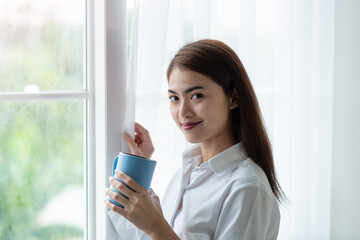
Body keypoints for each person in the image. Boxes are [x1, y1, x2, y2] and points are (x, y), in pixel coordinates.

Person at [104, 39, 285, 240]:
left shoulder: (247, 187)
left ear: (234, 98)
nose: (183, 112)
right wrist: (138, 167)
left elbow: (156, 232)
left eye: (197, 96)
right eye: (174, 98)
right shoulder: (187, 171)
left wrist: (156, 226)